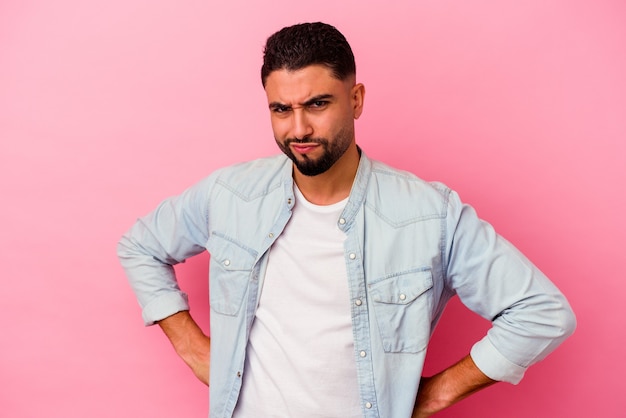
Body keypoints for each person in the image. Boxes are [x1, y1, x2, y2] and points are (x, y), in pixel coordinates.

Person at [117, 22, 576, 418]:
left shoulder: (429, 214)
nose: (298, 129)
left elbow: (542, 313)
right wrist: (192, 345)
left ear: (355, 100)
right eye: (281, 109)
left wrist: (437, 392)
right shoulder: (230, 195)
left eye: (317, 104)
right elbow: (141, 245)